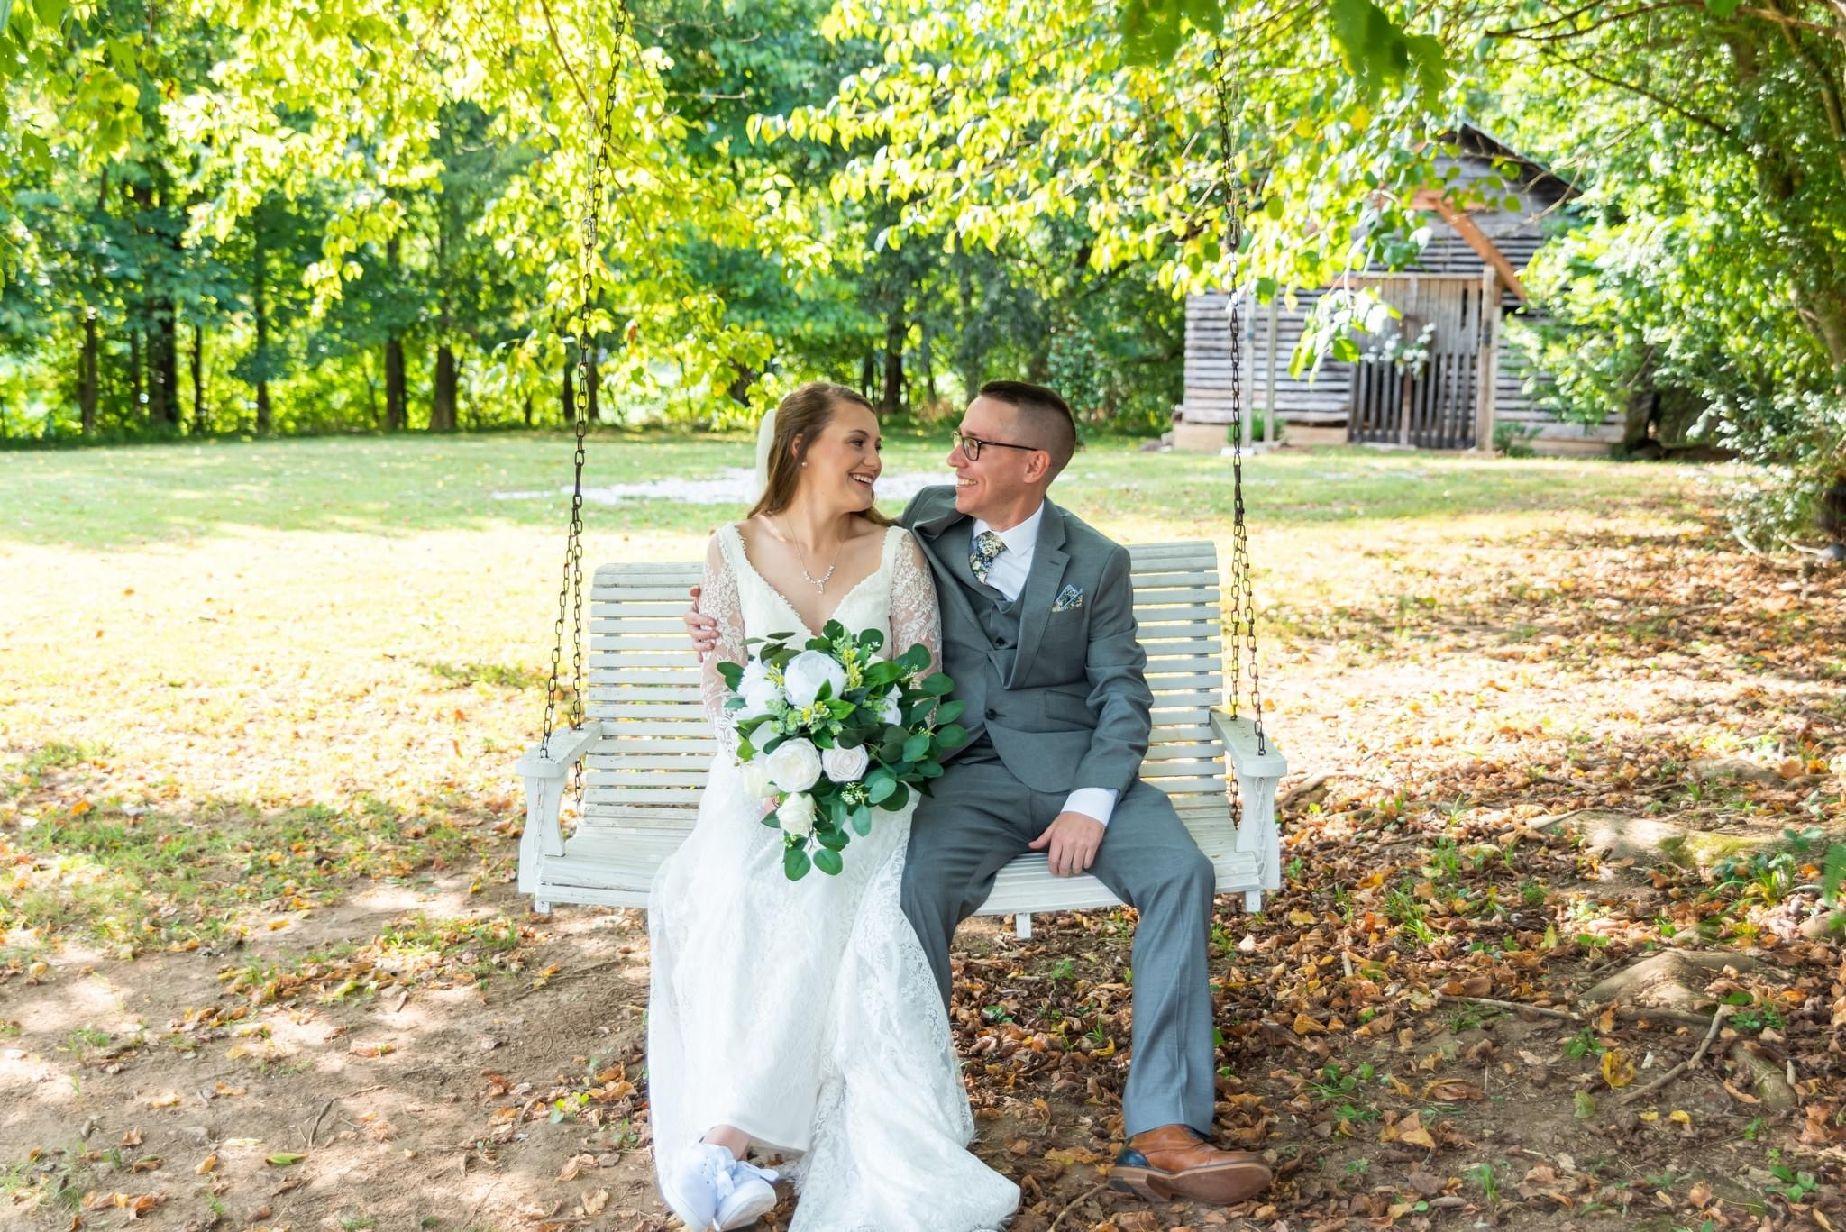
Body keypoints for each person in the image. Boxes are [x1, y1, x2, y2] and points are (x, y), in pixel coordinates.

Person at [687, 381, 1274, 1209]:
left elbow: (1122, 695)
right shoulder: (924, 522)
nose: (951, 458)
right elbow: (801, 548)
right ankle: (903, 1118)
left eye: (974, 445)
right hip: (965, 777)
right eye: (958, 440)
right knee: (906, 892)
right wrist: (718, 621)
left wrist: (1092, 803)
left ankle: (1163, 1133)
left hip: (1081, 772)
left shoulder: (1096, 562)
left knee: (1183, 874)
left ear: (1032, 466)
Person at [648, 380, 1018, 1232]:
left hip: (876, 780)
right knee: (734, 895)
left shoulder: (897, 552)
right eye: (857, 443)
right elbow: (724, 693)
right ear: (799, 448)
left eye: (878, 446)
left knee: (826, 890)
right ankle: (735, 1136)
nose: (875, 462)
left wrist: (860, 762)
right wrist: (780, 770)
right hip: (758, 778)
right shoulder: (731, 549)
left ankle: (727, 1143)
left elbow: (921, 683)